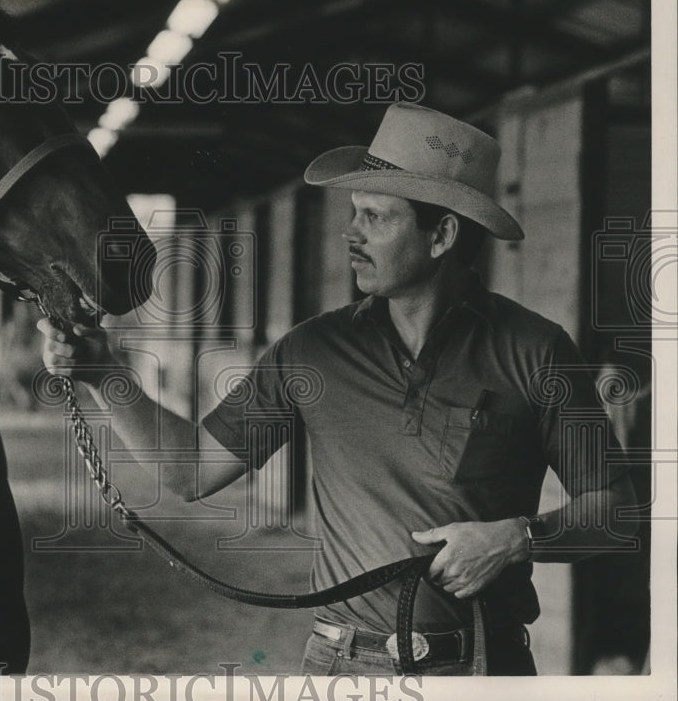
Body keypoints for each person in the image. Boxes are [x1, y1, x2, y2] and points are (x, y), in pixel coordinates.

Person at [38, 102, 637, 676]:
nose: (351, 234)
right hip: (343, 667)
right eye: (354, 212)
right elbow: (192, 469)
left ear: (443, 235)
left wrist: (515, 538)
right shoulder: (312, 351)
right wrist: (105, 375)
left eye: (376, 217)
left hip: (487, 665)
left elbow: (617, 514)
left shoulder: (537, 350)